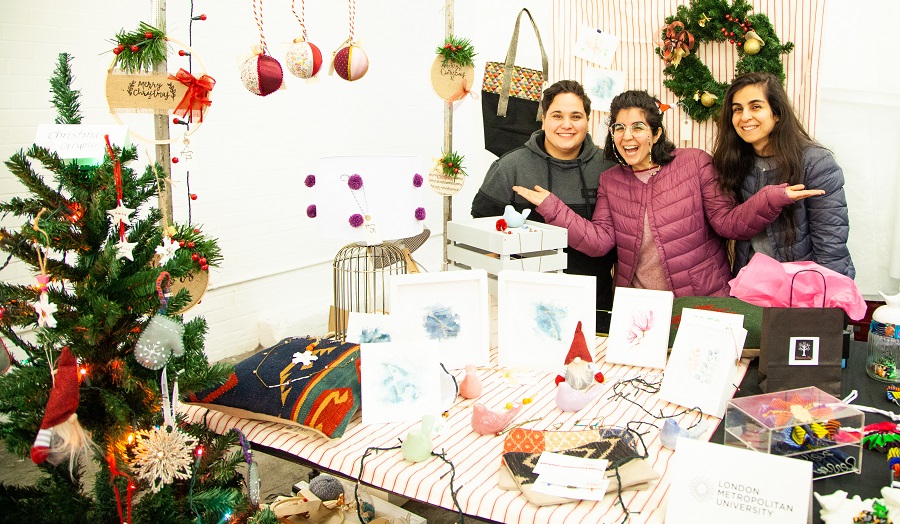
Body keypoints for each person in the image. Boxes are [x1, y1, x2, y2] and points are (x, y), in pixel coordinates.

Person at [513, 90, 823, 297]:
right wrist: (552, 207)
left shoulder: (694, 162)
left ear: (656, 133)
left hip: (700, 302)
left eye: (637, 127)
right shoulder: (612, 180)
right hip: (639, 309)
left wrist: (771, 197)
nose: (627, 136)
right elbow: (600, 242)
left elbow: (728, 224)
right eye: (619, 128)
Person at [471, 80, 618, 332]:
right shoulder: (510, 168)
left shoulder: (608, 169)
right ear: (543, 119)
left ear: (587, 120)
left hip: (595, 309)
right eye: (557, 115)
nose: (567, 125)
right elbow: (479, 244)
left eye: (576, 116)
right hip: (525, 313)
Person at [712, 72, 855, 278]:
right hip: (751, 283)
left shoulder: (815, 162)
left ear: (776, 113)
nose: (745, 117)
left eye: (755, 107)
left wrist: (824, 298)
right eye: (737, 109)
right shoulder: (734, 162)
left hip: (800, 285)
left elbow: (830, 244)